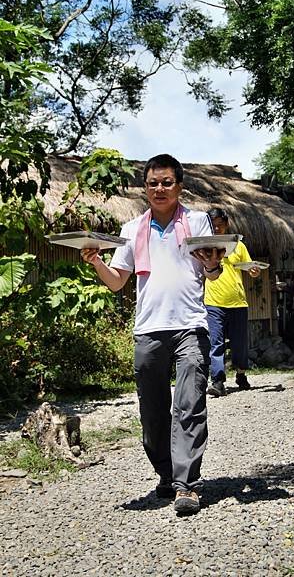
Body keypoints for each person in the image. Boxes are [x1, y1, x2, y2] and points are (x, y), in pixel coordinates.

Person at [81, 154, 225, 515]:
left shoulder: (196, 221)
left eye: (166, 182)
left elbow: (213, 273)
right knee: (153, 412)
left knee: (190, 404)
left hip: (191, 326)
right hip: (148, 330)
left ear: (180, 186)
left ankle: (186, 485)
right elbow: (118, 283)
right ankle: (165, 473)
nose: (159, 189)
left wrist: (212, 264)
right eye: (152, 183)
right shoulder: (131, 230)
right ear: (145, 188)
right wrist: (97, 261)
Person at [204, 207, 261, 397]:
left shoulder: (239, 246)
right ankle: (218, 381)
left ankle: (241, 374)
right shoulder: (204, 245)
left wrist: (254, 271)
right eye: (213, 226)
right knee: (216, 343)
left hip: (238, 302)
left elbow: (250, 267)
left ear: (226, 224)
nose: (216, 230)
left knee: (239, 343)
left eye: (219, 226)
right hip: (213, 302)